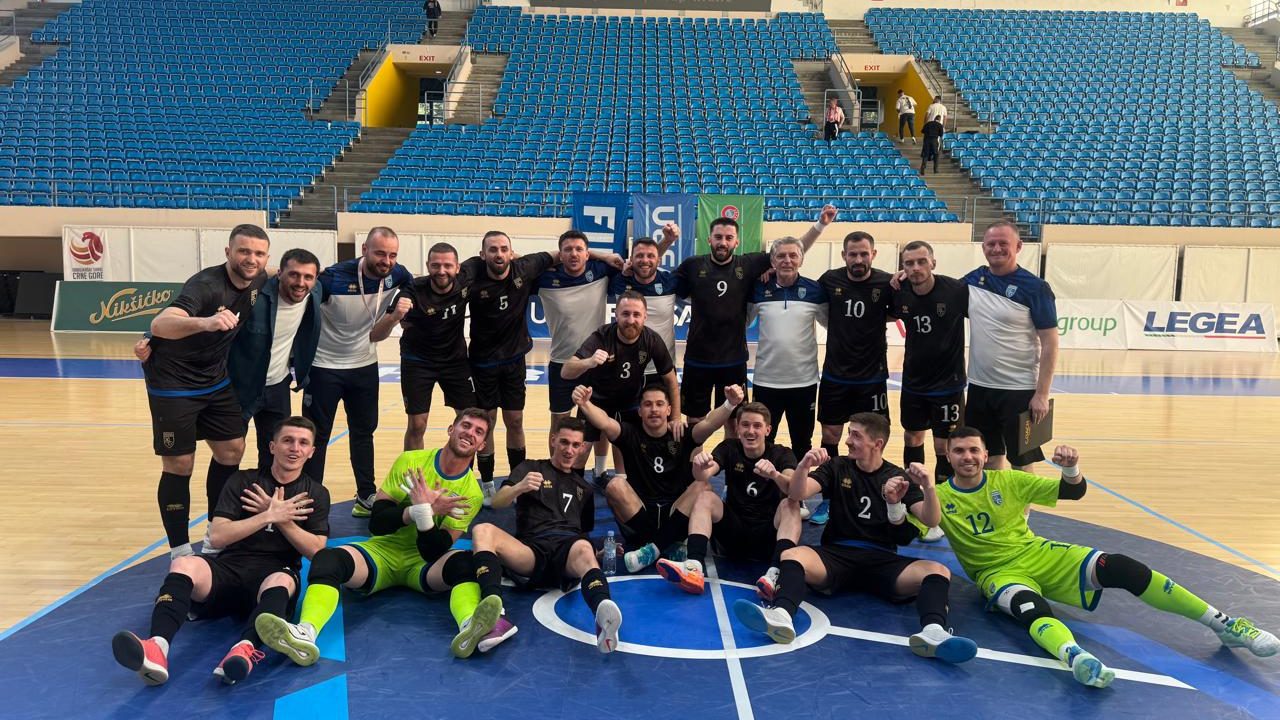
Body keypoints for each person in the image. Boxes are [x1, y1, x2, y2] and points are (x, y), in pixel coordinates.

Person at [938, 429, 1278, 687]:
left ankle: (1226, 625)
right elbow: (912, 525)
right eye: (959, 451)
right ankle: (1076, 658)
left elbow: (1073, 491)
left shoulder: (1009, 481)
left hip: (1040, 554)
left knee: (1123, 568)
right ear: (948, 455)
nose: (967, 457)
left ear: (985, 455)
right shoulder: (937, 496)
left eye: (974, 450)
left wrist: (1071, 468)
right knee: (1031, 608)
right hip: (997, 574)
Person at [255, 409, 499, 663]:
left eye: (478, 431)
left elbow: (433, 551)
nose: (469, 433)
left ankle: (469, 627)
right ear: (451, 429)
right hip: (381, 553)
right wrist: (418, 510)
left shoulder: (471, 494)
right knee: (327, 559)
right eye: (465, 425)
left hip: (423, 564)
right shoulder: (411, 461)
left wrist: (425, 515)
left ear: (482, 445)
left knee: (465, 563)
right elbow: (378, 523)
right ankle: (305, 632)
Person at [733, 413, 977, 665]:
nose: (848, 440)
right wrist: (804, 465)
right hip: (836, 555)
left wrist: (928, 487)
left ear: (877, 444)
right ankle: (781, 615)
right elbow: (797, 493)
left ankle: (933, 632)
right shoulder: (837, 466)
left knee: (937, 570)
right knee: (792, 554)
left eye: (856, 435)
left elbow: (930, 519)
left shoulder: (896, 477)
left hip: (882, 560)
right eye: (849, 433)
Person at [112, 417, 330, 686]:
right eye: (287, 440)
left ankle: (244, 650)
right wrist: (266, 516)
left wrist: (283, 519)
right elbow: (217, 536)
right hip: (228, 570)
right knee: (184, 564)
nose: (294, 448)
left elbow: (316, 551)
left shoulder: (315, 494)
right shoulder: (243, 481)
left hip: (272, 579)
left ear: (311, 451)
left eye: (303, 443)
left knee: (282, 580)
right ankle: (157, 647)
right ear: (272, 446)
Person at [136, 248, 323, 479]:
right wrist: (151, 339)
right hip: (240, 386)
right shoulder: (255, 294)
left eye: (308, 277)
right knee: (229, 452)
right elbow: (198, 313)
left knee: (275, 452)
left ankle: (268, 499)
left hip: (278, 387)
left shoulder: (315, 291)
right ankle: (222, 501)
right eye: (293, 275)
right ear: (280, 273)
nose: (300, 282)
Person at [144, 224, 270, 557]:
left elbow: (282, 271)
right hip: (173, 384)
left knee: (232, 449)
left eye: (259, 253)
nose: (251, 259)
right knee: (180, 463)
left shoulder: (258, 277)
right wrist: (207, 322)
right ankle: (179, 549)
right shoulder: (206, 286)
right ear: (228, 252)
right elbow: (160, 324)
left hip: (215, 380)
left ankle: (217, 530)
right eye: (244, 251)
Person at [468, 418, 622, 654]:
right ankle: (495, 616)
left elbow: (584, 534)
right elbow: (497, 502)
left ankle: (603, 616)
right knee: (482, 530)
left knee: (583, 548)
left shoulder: (585, 489)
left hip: (567, 553)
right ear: (553, 440)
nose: (569, 450)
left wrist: (596, 554)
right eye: (564, 442)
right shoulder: (530, 468)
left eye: (575, 445)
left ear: (582, 448)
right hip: (531, 553)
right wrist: (519, 487)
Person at [674, 206, 834, 427]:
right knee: (695, 420)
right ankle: (695, 452)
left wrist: (820, 225)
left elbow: (792, 250)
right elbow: (663, 284)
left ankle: (728, 453)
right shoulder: (692, 265)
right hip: (697, 358)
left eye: (729, 238)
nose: (723, 242)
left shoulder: (748, 264)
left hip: (733, 360)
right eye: (718, 237)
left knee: (733, 422)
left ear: (737, 242)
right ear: (709, 239)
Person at [574, 382, 742, 572]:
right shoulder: (630, 433)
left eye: (659, 404)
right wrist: (585, 404)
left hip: (676, 512)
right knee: (614, 485)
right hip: (640, 513)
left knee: (703, 486)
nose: (654, 409)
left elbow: (710, 424)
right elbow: (604, 422)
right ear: (639, 411)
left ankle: (652, 550)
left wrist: (730, 403)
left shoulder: (680, 433)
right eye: (648, 404)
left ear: (669, 409)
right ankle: (667, 546)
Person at [304, 227, 413, 517]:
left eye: (392, 255)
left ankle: (365, 495)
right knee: (317, 437)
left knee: (364, 433)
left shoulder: (396, 274)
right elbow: (301, 301)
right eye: (380, 253)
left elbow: (410, 284)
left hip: (364, 367)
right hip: (324, 368)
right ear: (364, 249)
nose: (386, 261)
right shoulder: (333, 278)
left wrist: (399, 308)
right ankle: (310, 497)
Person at [655, 402, 801, 597]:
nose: (751, 431)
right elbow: (703, 475)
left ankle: (776, 573)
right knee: (705, 496)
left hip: (768, 538)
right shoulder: (729, 447)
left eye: (757, 426)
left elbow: (793, 489)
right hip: (734, 534)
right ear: (737, 428)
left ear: (768, 430)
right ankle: (694, 567)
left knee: (791, 504)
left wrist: (775, 475)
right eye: (745, 425)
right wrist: (699, 466)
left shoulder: (782, 453)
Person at [963, 221, 1058, 471]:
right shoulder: (974, 280)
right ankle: (996, 499)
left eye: (1003, 243)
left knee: (1022, 462)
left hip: (1019, 390)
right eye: (991, 244)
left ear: (1018, 246)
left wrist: (1042, 394)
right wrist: (902, 276)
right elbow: (938, 290)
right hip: (980, 388)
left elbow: (1050, 343)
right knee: (988, 458)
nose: (996, 249)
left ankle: (1022, 502)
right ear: (983, 247)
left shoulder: (1036, 288)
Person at [815, 231, 894, 525]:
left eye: (864, 254)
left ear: (873, 254)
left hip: (872, 378)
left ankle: (874, 491)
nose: (858, 259)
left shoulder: (887, 283)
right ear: (844, 255)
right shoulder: (829, 280)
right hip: (836, 375)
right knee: (831, 436)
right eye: (853, 254)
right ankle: (830, 497)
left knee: (873, 441)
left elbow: (903, 308)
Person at [370, 242, 476, 452]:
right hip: (418, 362)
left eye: (447, 265)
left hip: (455, 361)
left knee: (468, 421)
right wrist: (395, 316)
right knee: (417, 425)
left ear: (457, 267)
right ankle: (413, 471)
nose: (441, 271)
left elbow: (497, 256)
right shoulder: (412, 290)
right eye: (435, 265)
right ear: (427, 265)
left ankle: (460, 468)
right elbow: (376, 335)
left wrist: (513, 255)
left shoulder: (467, 277)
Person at [560, 291, 679, 471]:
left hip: (629, 403)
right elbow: (566, 371)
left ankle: (617, 478)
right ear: (615, 314)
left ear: (645, 316)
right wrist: (589, 362)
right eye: (625, 314)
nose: (631, 320)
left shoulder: (652, 340)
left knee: (628, 453)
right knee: (581, 453)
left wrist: (675, 418)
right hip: (596, 401)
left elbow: (671, 380)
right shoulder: (601, 337)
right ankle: (590, 477)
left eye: (636, 314)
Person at [539, 230, 628, 454]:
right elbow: (521, 262)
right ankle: (556, 468)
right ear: (559, 254)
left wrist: (604, 257)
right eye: (567, 250)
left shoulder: (601, 271)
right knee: (559, 422)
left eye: (579, 249)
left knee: (599, 418)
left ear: (588, 254)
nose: (574, 254)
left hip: (596, 362)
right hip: (562, 362)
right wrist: (602, 254)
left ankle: (600, 469)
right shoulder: (544, 278)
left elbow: (630, 264)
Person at [894, 241, 967, 486]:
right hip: (914, 383)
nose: (916, 267)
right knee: (912, 437)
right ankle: (914, 492)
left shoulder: (956, 291)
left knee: (943, 445)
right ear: (903, 267)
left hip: (948, 384)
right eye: (909, 263)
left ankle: (945, 496)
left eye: (921, 261)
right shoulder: (899, 290)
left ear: (933, 263)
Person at [748, 236, 827, 458]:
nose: (787, 260)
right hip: (766, 381)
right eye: (781, 256)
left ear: (801, 259)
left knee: (802, 443)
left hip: (804, 382)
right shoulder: (758, 289)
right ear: (772, 261)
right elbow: (740, 321)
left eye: (793, 255)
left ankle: (799, 482)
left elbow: (833, 324)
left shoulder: (815, 290)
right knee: (763, 443)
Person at [610, 233, 678, 387]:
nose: (645, 260)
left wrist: (667, 240)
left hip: (662, 368)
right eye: (639, 256)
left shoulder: (670, 281)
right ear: (630, 259)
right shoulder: (618, 280)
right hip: (624, 366)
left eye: (650, 256)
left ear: (659, 260)